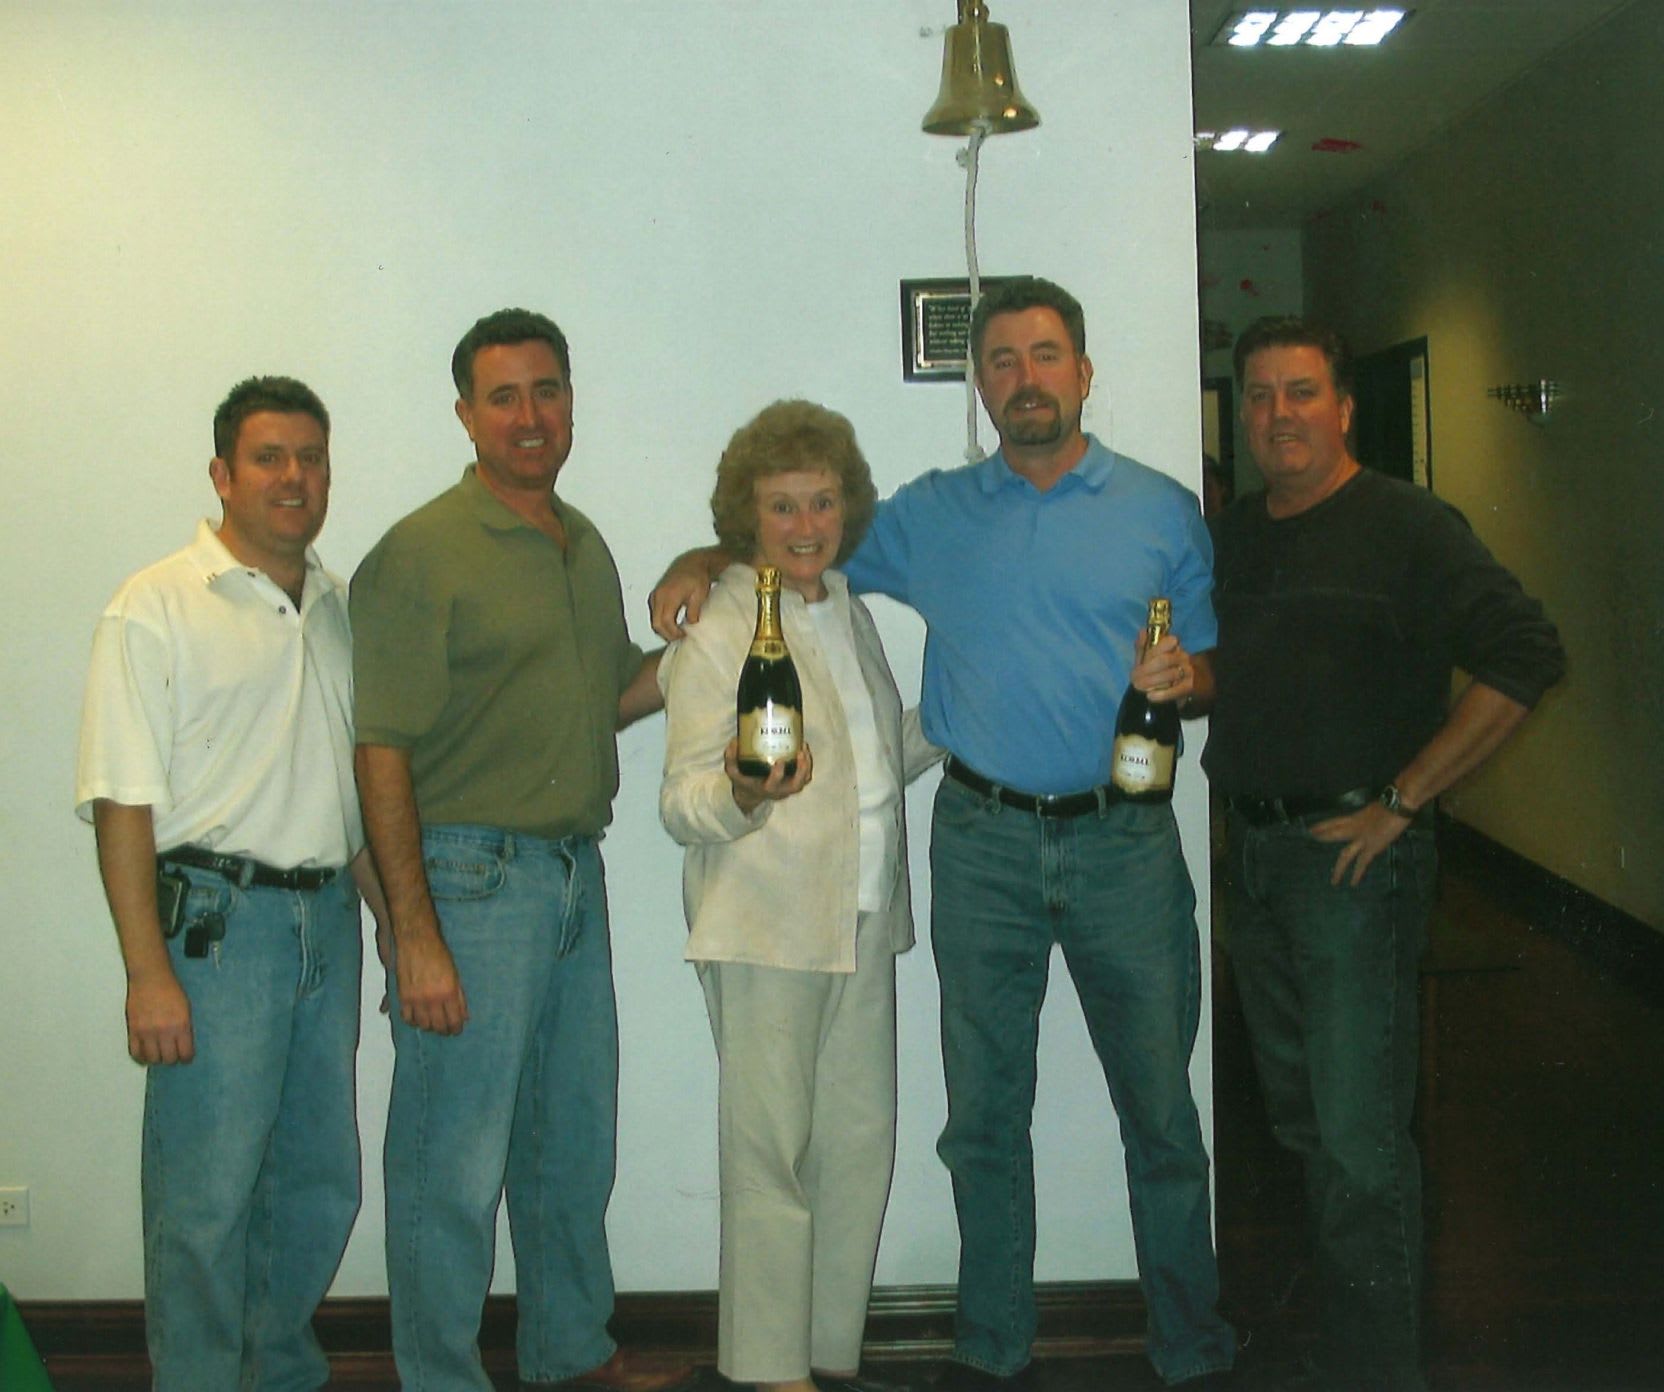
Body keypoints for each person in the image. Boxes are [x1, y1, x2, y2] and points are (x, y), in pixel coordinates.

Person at [652, 278, 1237, 1390]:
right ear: (980, 384)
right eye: (1001, 360)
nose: (1025, 377)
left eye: (1045, 354)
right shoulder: (929, 515)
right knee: (982, 1119)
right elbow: (790, 547)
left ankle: (1191, 1347)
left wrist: (1186, 678)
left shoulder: (1162, 510)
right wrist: (700, 561)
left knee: (1162, 1111)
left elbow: (1206, 670)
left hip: (1124, 845)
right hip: (982, 846)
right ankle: (990, 1349)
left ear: (1082, 371)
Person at [1202, 316, 1566, 1391]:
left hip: (1352, 872)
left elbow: (1525, 654)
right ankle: (1346, 1343)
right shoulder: (1235, 537)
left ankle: (1375, 1372)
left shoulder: (1409, 527)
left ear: (1345, 407)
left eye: (1300, 392)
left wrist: (1403, 800)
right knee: (1306, 1128)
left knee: (1359, 1145)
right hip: (1254, 863)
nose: (1278, 415)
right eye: (1259, 395)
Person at [350, 309, 689, 1392]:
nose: (529, 416)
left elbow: (613, 696)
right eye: (503, 397)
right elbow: (379, 751)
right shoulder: (420, 553)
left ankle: (570, 1355)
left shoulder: (579, 542)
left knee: (569, 1149)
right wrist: (413, 934)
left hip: (571, 876)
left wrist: (724, 600)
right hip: (467, 883)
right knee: (450, 1165)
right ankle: (440, 1377)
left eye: (547, 391)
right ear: (465, 415)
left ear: (571, 402)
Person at [75, 376, 387, 1390]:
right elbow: (122, 802)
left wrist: (398, 927)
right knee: (205, 1199)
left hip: (325, 925)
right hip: (214, 935)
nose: (295, 477)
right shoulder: (156, 605)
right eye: (269, 457)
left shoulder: (337, 609)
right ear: (221, 473)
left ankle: (279, 1373)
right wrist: (146, 974)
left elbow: (347, 795)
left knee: (317, 1183)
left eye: (312, 458)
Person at [658, 400, 941, 1392]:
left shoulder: (847, 611)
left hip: (862, 918)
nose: (806, 523)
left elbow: (876, 760)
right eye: (782, 505)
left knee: (856, 1149)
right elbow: (681, 802)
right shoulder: (719, 626)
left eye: (821, 501)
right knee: (768, 1157)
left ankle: (825, 1357)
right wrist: (741, 793)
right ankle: (768, 1370)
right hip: (765, 924)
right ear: (748, 517)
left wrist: (957, 716)